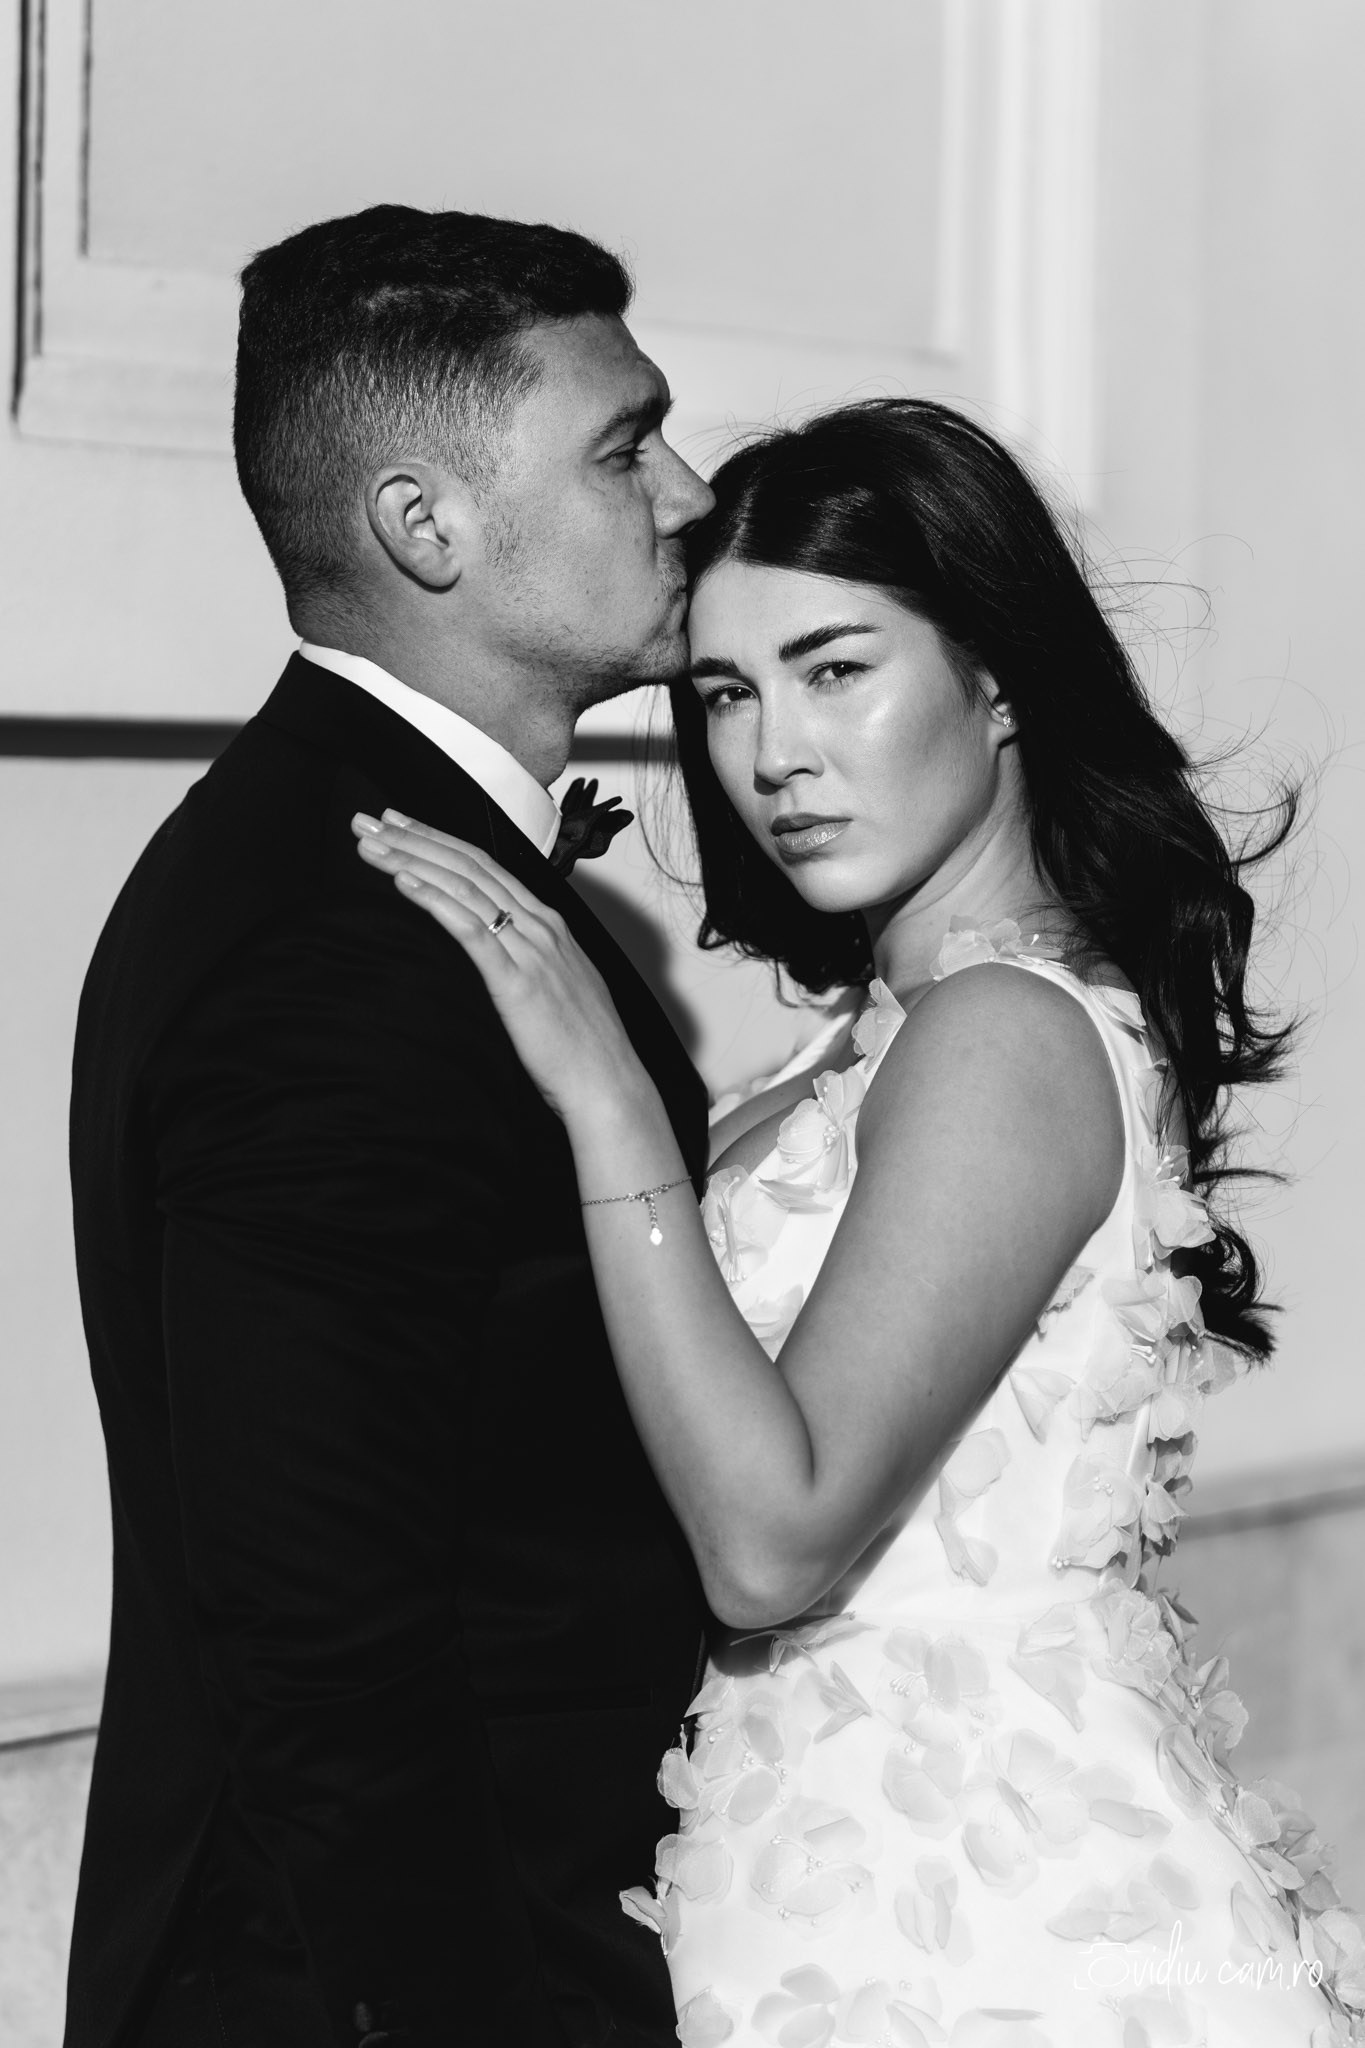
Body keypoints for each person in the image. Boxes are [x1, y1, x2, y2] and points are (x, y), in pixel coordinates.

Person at [354, 398, 1365, 2047]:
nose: (773, 755)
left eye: (834, 670)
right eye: (725, 693)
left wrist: (611, 1107)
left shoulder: (1001, 1034)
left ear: (997, 675)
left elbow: (772, 1543)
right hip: (821, 1856)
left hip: (970, 1907)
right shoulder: (881, 1039)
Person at [66, 204, 716, 2048]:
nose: (687, 496)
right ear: (425, 525)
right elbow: (324, 1621)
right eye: (624, 447)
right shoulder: (343, 942)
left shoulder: (368, 861)